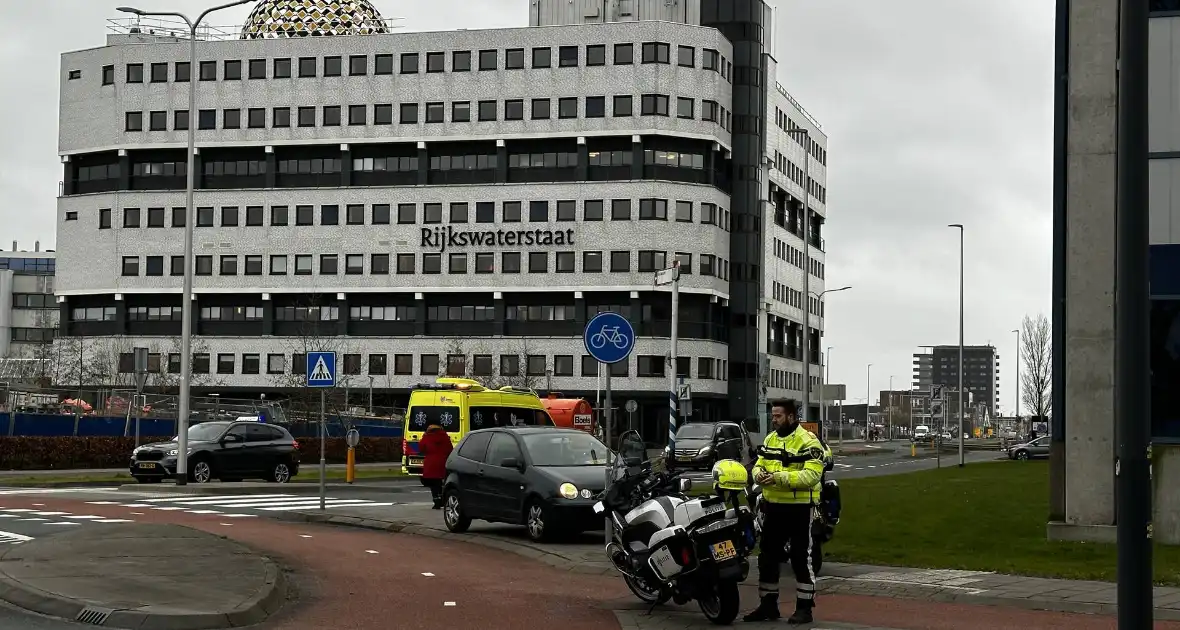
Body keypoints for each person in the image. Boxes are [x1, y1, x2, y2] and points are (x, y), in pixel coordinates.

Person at [744, 399, 826, 625]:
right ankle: (768, 605)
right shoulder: (770, 439)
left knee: (801, 557)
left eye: (778, 416)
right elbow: (759, 463)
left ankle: (805, 608)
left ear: (791, 417)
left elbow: (811, 476)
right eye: (773, 416)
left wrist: (779, 478)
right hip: (773, 507)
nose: (774, 419)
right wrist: (758, 474)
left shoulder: (808, 441)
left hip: (800, 508)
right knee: (767, 556)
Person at [418, 423, 453, 509]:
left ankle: (436, 500)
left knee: (433, 483)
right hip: (443, 462)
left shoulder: (427, 437)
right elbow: (450, 449)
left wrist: (424, 436)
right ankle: (442, 498)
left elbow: (422, 448)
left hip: (431, 462)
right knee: (441, 482)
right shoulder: (444, 436)